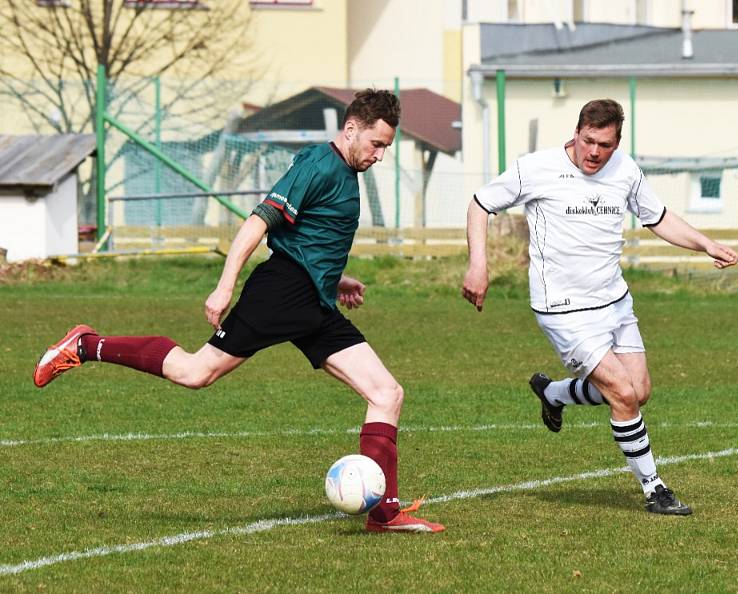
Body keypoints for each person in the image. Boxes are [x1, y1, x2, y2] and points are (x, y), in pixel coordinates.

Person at [34, 89, 444, 534]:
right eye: (376, 144)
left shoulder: (344, 169)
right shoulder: (318, 166)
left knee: (387, 393)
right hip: (281, 295)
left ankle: (384, 514)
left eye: (385, 146)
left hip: (313, 300)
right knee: (195, 373)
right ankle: (86, 344)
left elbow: (307, 234)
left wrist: (335, 278)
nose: (380, 155)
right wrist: (225, 284)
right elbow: (258, 222)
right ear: (351, 130)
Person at [462, 98, 738, 515]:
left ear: (617, 142)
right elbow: (480, 204)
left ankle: (553, 393)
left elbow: (658, 216)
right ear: (576, 133)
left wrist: (706, 244)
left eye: (604, 145)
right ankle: (654, 488)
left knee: (639, 391)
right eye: (588, 141)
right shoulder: (536, 167)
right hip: (563, 308)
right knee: (622, 393)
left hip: (614, 301)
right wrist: (479, 265)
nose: (594, 152)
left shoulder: (625, 170)